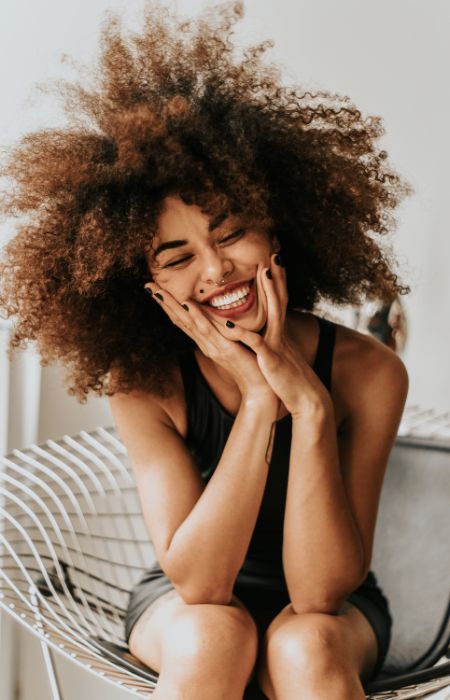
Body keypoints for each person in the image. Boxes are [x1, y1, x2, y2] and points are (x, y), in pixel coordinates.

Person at [0, 3, 410, 698]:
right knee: (217, 631)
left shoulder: (370, 374)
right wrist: (257, 401)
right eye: (178, 256)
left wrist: (306, 405)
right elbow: (200, 582)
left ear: (276, 224)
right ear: (149, 284)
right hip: (184, 605)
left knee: (304, 644)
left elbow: (318, 594)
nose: (217, 272)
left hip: (337, 615)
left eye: (229, 234)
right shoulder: (145, 382)